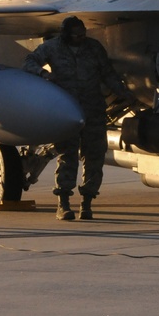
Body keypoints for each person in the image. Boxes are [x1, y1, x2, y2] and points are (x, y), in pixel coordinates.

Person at [23, 16, 134, 221]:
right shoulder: (53, 48)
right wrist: (43, 74)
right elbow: (29, 61)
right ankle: (63, 204)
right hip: (67, 109)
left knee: (94, 157)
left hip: (93, 109)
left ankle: (87, 203)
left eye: (83, 34)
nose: (81, 38)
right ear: (66, 34)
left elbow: (107, 73)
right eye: (76, 35)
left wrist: (124, 92)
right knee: (67, 155)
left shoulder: (93, 47)